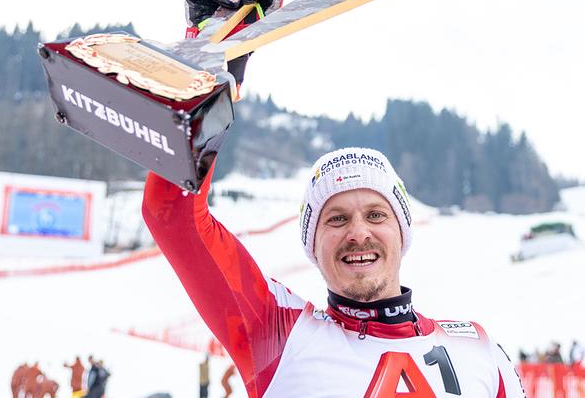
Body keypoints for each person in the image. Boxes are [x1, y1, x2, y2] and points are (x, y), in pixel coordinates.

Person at [144, 143, 527, 395]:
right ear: (314, 244)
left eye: (376, 215)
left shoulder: (477, 348)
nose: (358, 233)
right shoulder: (277, 333)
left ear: (401, 232)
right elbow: (173, 214)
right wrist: (211, 70)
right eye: (337, 219)